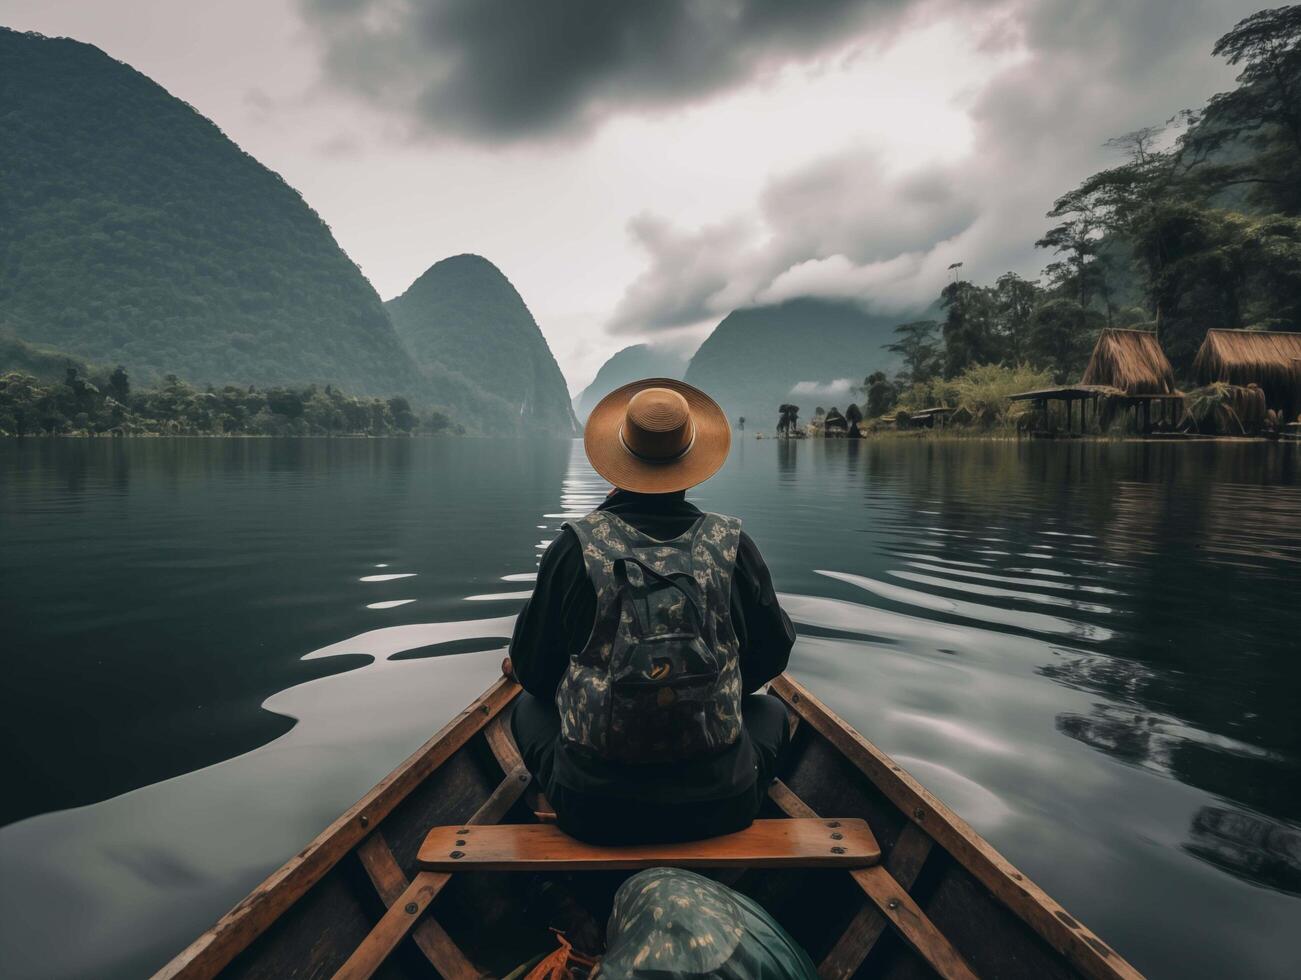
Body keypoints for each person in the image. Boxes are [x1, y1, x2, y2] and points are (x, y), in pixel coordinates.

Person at [509, 378, 796, 845]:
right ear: (691, 459)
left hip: (594, 809)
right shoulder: (733, 546)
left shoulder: (574, 548)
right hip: (721, 803)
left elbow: (534, 674)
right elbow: (771, 657)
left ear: (617, 460)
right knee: (772, 712)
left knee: (524, 707)